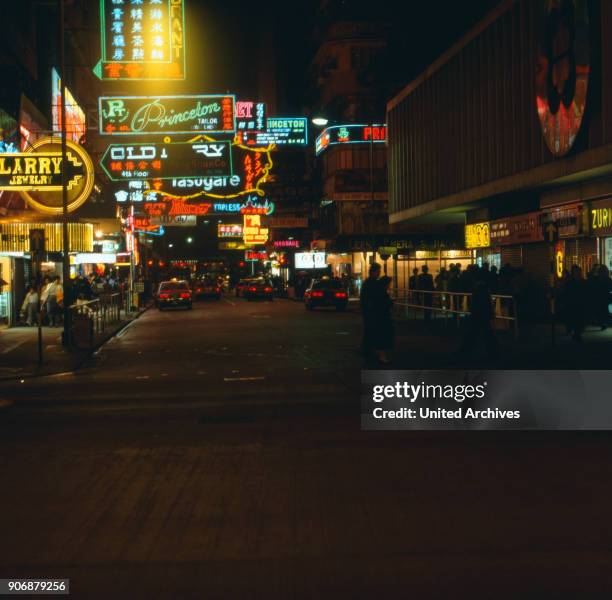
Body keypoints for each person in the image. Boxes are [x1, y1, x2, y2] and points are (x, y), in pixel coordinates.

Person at [459, 280, 499, 358]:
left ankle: (465, 351)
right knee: (487, 335)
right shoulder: (485, 294)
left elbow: (473, 306)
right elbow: (488, 306)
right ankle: (494, 351)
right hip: (483, 317)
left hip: (477, 317)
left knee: (472, 334)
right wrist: (491, 314)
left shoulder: (476, 294)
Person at [360, 262, 382, 361]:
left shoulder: (368, 282)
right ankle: (367, 350)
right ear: (374, 272)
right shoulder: (372, 283)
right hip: (371, 311)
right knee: (370, 330)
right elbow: (372, 297)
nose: (379, 273)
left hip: (368, 311)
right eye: (378, 271)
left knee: (368, 331)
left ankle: (367, 349)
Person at [562, 265, 588, 342]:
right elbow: (567, 294)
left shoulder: (581, 282)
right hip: (574, 305)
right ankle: (576, 334)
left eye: (579, 272)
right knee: (576, 320)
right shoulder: (571, 283)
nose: (578, 274)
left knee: (579, 320)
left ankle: (577, 333)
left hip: (579, 305)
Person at [373, 276, 394, 364]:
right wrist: (391, 302)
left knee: (381, 336)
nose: (390, 285)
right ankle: (382, 355)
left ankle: (380, 354)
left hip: (380, 317)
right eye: (389, 284)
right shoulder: (383, 293)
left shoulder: (378, 292)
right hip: (383, 317)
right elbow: (385, 304)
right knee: (383, 336)